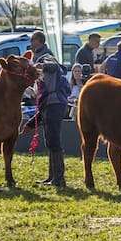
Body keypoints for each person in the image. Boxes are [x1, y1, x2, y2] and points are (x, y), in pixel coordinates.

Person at [36, 55, 71, 187]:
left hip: (53, 106)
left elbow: (52, 65)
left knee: (54, 142)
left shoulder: (50, 66)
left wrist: (41, 65)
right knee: (51, 142)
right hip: (51, 106)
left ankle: (59, 178)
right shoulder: (58, 76)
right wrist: (31, 124)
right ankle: (52, 176)